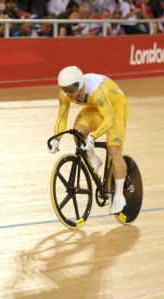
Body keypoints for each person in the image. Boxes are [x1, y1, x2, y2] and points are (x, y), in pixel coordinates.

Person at [49, 66, 129, 214]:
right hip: (95, 108)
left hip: (115, 108)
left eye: (71, 91)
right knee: (78, 134)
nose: (68, 94)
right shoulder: (65, 93)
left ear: (80, 85)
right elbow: (61, 118)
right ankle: (94, 159)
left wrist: (93, 136)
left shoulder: (97, 91)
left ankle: (119, 196)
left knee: (114, 151)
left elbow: (110, 119)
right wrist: (56, 139)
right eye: (64, 90)